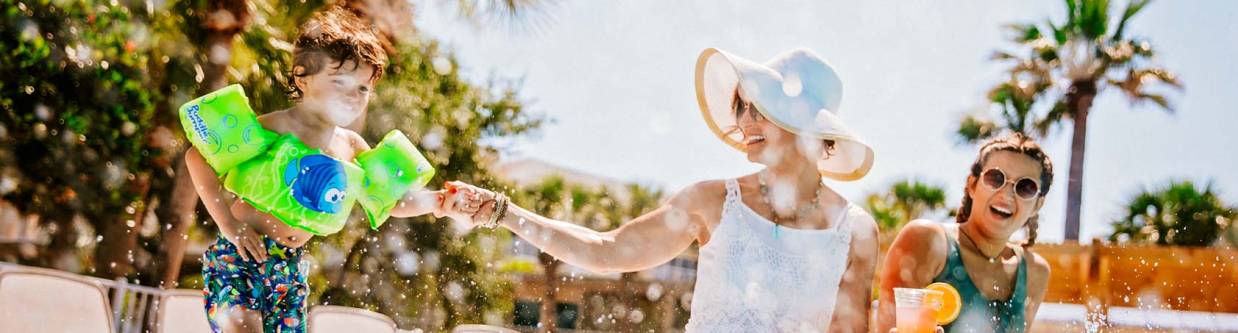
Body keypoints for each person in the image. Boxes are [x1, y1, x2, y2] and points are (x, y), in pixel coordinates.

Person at [442, 48, 880, 332]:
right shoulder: (713, 202)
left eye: (758, 109)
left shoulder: (856, 231)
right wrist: (502, 212)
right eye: (741, 107)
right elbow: (606, 249)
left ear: (805, 125)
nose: (743, 123)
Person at [186, 7, 447, 332]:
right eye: (340, 81)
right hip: (240, 254)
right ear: (302, 77)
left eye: (363, 88)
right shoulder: (280, 125)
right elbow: (197, 158)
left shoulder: (351, 146)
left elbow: (390, 201)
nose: (353, 95)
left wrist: (436, 202)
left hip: (290, 270)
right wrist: (227, 223)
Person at [876, 133, 1054, 333]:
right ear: (972, 185)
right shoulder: (926, 241)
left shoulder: (1034, 272)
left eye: (1025, 187)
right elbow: (889, 328)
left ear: (1038, 204)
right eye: (995, 178)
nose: (1007, 194)